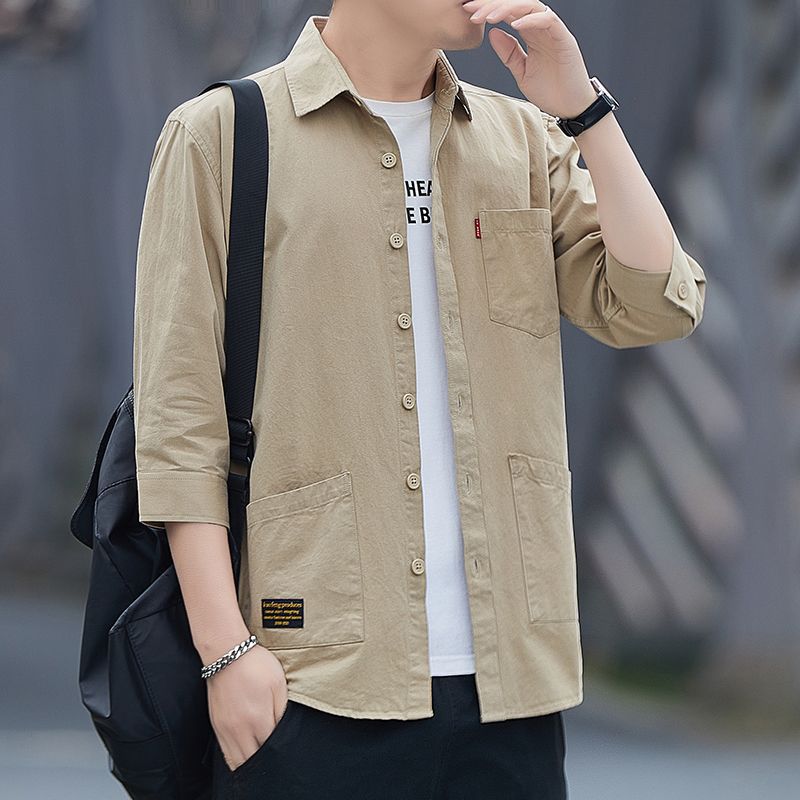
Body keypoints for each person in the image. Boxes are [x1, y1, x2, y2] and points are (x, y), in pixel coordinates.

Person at [132, 1, 708, 797]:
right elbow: (178, 422)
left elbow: (656, 305)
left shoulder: (523, 140)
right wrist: (226, 653)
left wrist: (584, 111)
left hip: (509, 684)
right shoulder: (221, 137)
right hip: (312, 674)